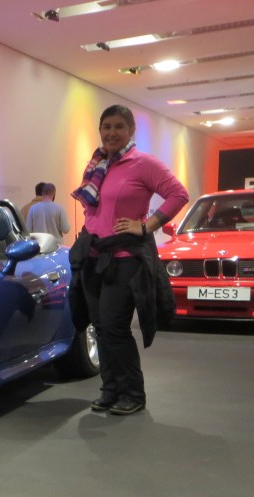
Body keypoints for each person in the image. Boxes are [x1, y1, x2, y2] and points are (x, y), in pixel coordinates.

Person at [68, 104, 189, 415]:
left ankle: (133, 393)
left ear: (131, 131)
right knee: (99, 326)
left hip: (124, 258)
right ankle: (110, 390)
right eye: (106, 126)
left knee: (114, 326)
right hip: (93, 256)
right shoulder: (97, 165)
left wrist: (146, 226)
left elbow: (178, 194)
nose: (111, 133)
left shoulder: (143, 164)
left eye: (118, 126)